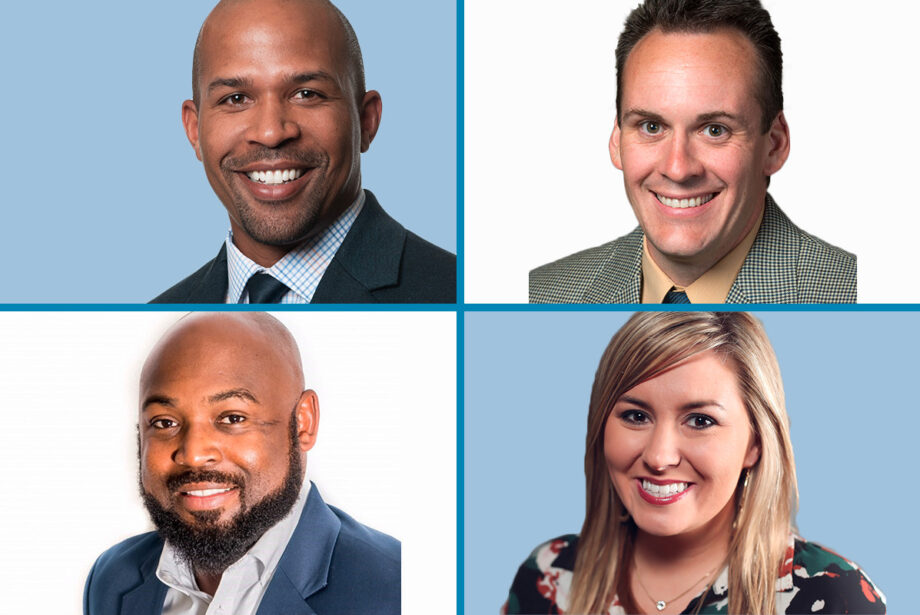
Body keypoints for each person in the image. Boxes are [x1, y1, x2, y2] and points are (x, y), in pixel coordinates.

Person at [504, 312, 884, 614]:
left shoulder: (833, 595)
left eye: (701, 421)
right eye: (636, 416)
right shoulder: (549, 574)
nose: (658, 456)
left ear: (755, 444)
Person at [529, 0, 856, 304]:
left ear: (775, 144)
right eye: (651, 127)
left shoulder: (852, 296)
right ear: (617, 141)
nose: (678, 169)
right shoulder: (542, 295)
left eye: (715, 130)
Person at [84, 312, 400, 614]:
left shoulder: (399, 589)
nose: (193, 454)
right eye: (165, 422)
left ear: (303, 423)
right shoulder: (112, 579)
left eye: (232, 418)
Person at [152, 0, 455, 304]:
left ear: (366, 121)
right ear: (194, 130)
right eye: (236, 98)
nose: (271, 133)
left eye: (306, 94)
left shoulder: (452, 291)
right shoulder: (165, 312)